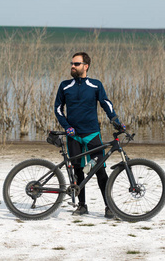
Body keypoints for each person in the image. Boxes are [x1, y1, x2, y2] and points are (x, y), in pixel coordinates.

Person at [54, 52, 125, 218]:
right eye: (72, 63)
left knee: (100, 171)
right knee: (77, 171)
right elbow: (58, 109)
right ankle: (82, 205)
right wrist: (67, 126)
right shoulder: (64, 86)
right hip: (73, 135)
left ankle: (109, 207)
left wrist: (115, 120)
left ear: (85, 66)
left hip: (92, 134)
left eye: (76, 64)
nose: (72, 66)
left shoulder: (95, 85)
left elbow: (106, 104)